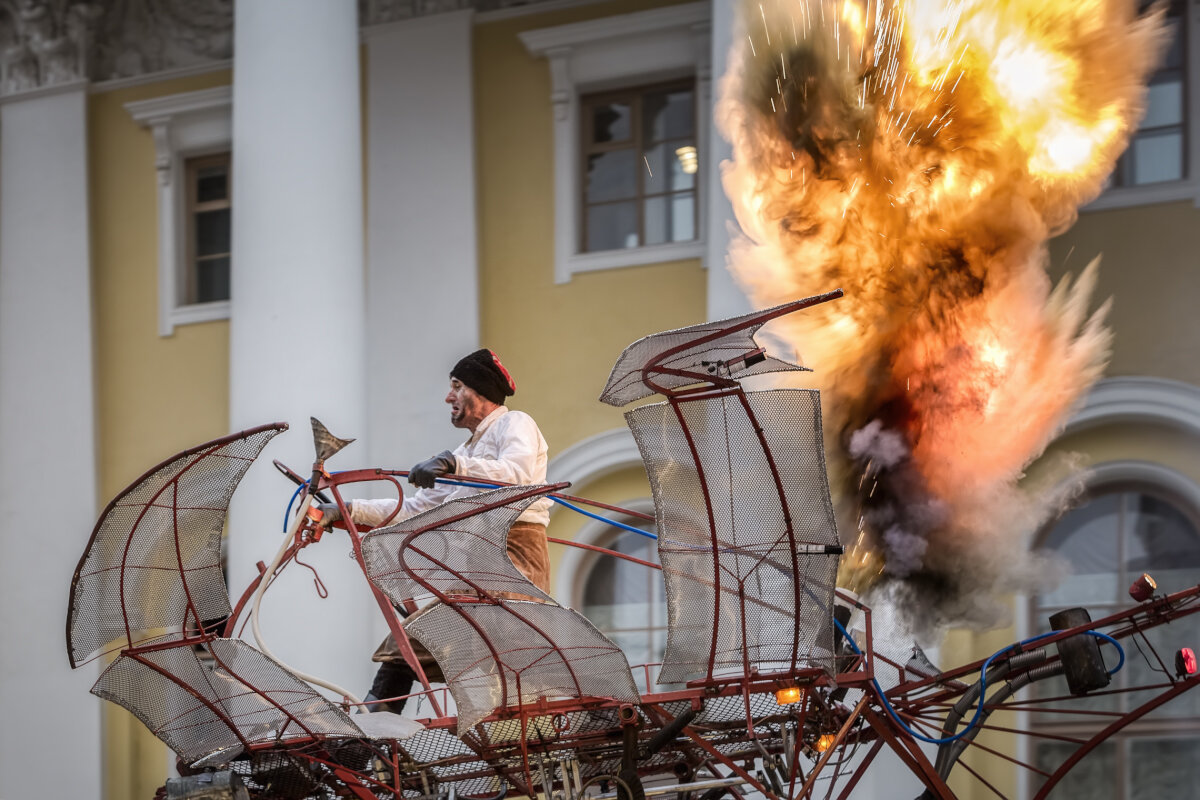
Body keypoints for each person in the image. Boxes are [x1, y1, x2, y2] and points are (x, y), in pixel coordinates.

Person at [318, 348, 552, 714]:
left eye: (456, 387)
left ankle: (360, 745)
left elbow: (518, 477)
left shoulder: (515, 423)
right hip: (477, 577)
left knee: (408, 644)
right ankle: (364, 743)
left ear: (479, 391)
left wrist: (453, 463)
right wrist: (345, 511)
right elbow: (415, 508)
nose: (448, 397)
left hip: (509, 571)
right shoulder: (466, 450)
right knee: (405, 648)